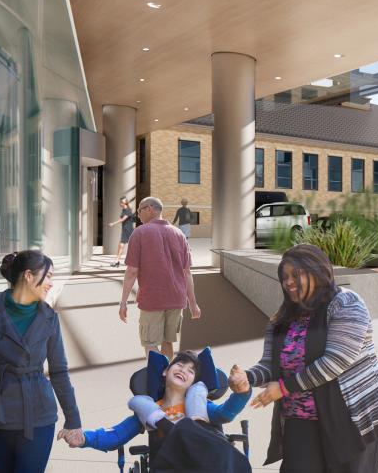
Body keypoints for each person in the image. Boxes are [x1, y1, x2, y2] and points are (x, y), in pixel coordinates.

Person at [244, 244, 378, 472]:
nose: (288, 282)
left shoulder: (346, 303)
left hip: (349, 417)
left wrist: (283, 388)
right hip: (300, 417)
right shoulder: (282, 318)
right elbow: (270, 366)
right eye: (284, 277)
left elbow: (337, 361)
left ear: (318, 271)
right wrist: (247, 378)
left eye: (296, 275)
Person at [0, 251, 83, 473]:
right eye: (49, 276)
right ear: (28, 276)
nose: (51, 284)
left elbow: (59, 371)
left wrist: (73, 419)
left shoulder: (49, 317)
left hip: (38, 414)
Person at [68, 350, 252, 472]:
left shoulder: (202, 406)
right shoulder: (148, 409)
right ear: (165, 371)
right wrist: (84, 438)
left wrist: (241, 393)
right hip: (170, 465)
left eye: (190, 371)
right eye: (179, 365)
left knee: (194, 423)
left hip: (204, 463)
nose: (183, 370)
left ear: (193, 382)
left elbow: (225, 413)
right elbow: (116, 435)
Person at [119, 196, 201, 359]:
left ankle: (157, 381)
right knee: (167, 341)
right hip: (176, 299)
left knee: (150, 343)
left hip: (152, 299)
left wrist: (123, 303)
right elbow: (187, 272)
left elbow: (132, 272)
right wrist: (193, 303)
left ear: (149, 209)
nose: (138, 215)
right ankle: (168, 381)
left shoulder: (140, 233)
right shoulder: (179, 234)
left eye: (140, 210)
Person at [108, 197, 137, 267]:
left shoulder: (127, 210)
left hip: (128, 230)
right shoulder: (124, 210)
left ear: (124, 203)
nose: (120, 203)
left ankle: (118, 261)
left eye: (121, 202)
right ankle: (117, 261)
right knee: (121, 246)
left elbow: (123, 219)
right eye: (120, 202)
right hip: (125, 229)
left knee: (126, 246)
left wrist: (113, 223)